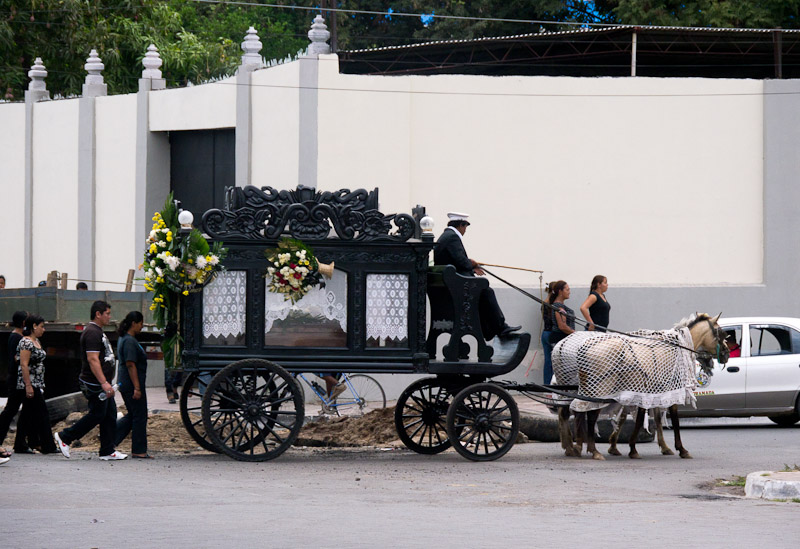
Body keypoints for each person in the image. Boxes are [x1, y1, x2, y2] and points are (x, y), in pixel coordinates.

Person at [54, 300, 127, 460]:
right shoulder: (92, 333)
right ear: (98, 314)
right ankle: (65, 437)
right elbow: (93, 359)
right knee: (97, 414)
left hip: (100, 382)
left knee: (109, 414)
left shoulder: (97, 331)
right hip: (94, 383)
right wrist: (103, 382)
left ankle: (107, 450)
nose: (109, 316)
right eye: (107, 313)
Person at [433, 212, 520, 340]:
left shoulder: (445, 236)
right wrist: (471, 263)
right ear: (461, 225)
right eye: (465, 227)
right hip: (455, 286)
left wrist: (471, 266)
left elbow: (455, 261)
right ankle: (499, 327)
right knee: (486, 291)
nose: (465, 231)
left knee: (482, 293)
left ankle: (490, 330)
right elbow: (461, 261)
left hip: (450, 283)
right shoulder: (452, 237)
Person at [14, 315, 57, 454]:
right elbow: (23, 364)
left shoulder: (36, 341)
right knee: (42, 414)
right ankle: (48, 445)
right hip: (29, 383)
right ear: (34, 326)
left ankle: (20, 444)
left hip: (37, 383)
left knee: (27, 414)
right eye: (42, 326)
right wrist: (28, 385)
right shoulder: (26, 342)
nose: (43, 329)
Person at [114, 311, 151, 458]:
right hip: (131, 384)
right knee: (140, 415)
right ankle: (139, 450)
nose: (142, 327)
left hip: (127, 383)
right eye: (141, 323)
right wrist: (137, 387)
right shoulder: (129, 341)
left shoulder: (126, 338)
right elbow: (130, 364)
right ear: (134, 323)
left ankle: (110, 440)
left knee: (134, 415)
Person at [0, 311, 27, 457]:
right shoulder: (17, 338)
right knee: (11, 410)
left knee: (14, 409)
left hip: (17, 378)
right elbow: (18, 359)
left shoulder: (16, 336)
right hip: (17, 378)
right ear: (23, 323)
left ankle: (22, 442)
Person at [548, 280, 575, 348]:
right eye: (567, 290)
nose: (569, 292)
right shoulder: (558, 307)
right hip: (560, 339)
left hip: (564, 339)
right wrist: (575, 333)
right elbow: (562, 326)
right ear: (560, 291)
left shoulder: (559, 306)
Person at [540, 282, 556, 385]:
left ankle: (546, 384)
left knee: (547, 361)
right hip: (551, 333)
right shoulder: (552, 305)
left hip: (545, 333)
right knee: (554, 361)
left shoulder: (544, 303)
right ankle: (552, 384)